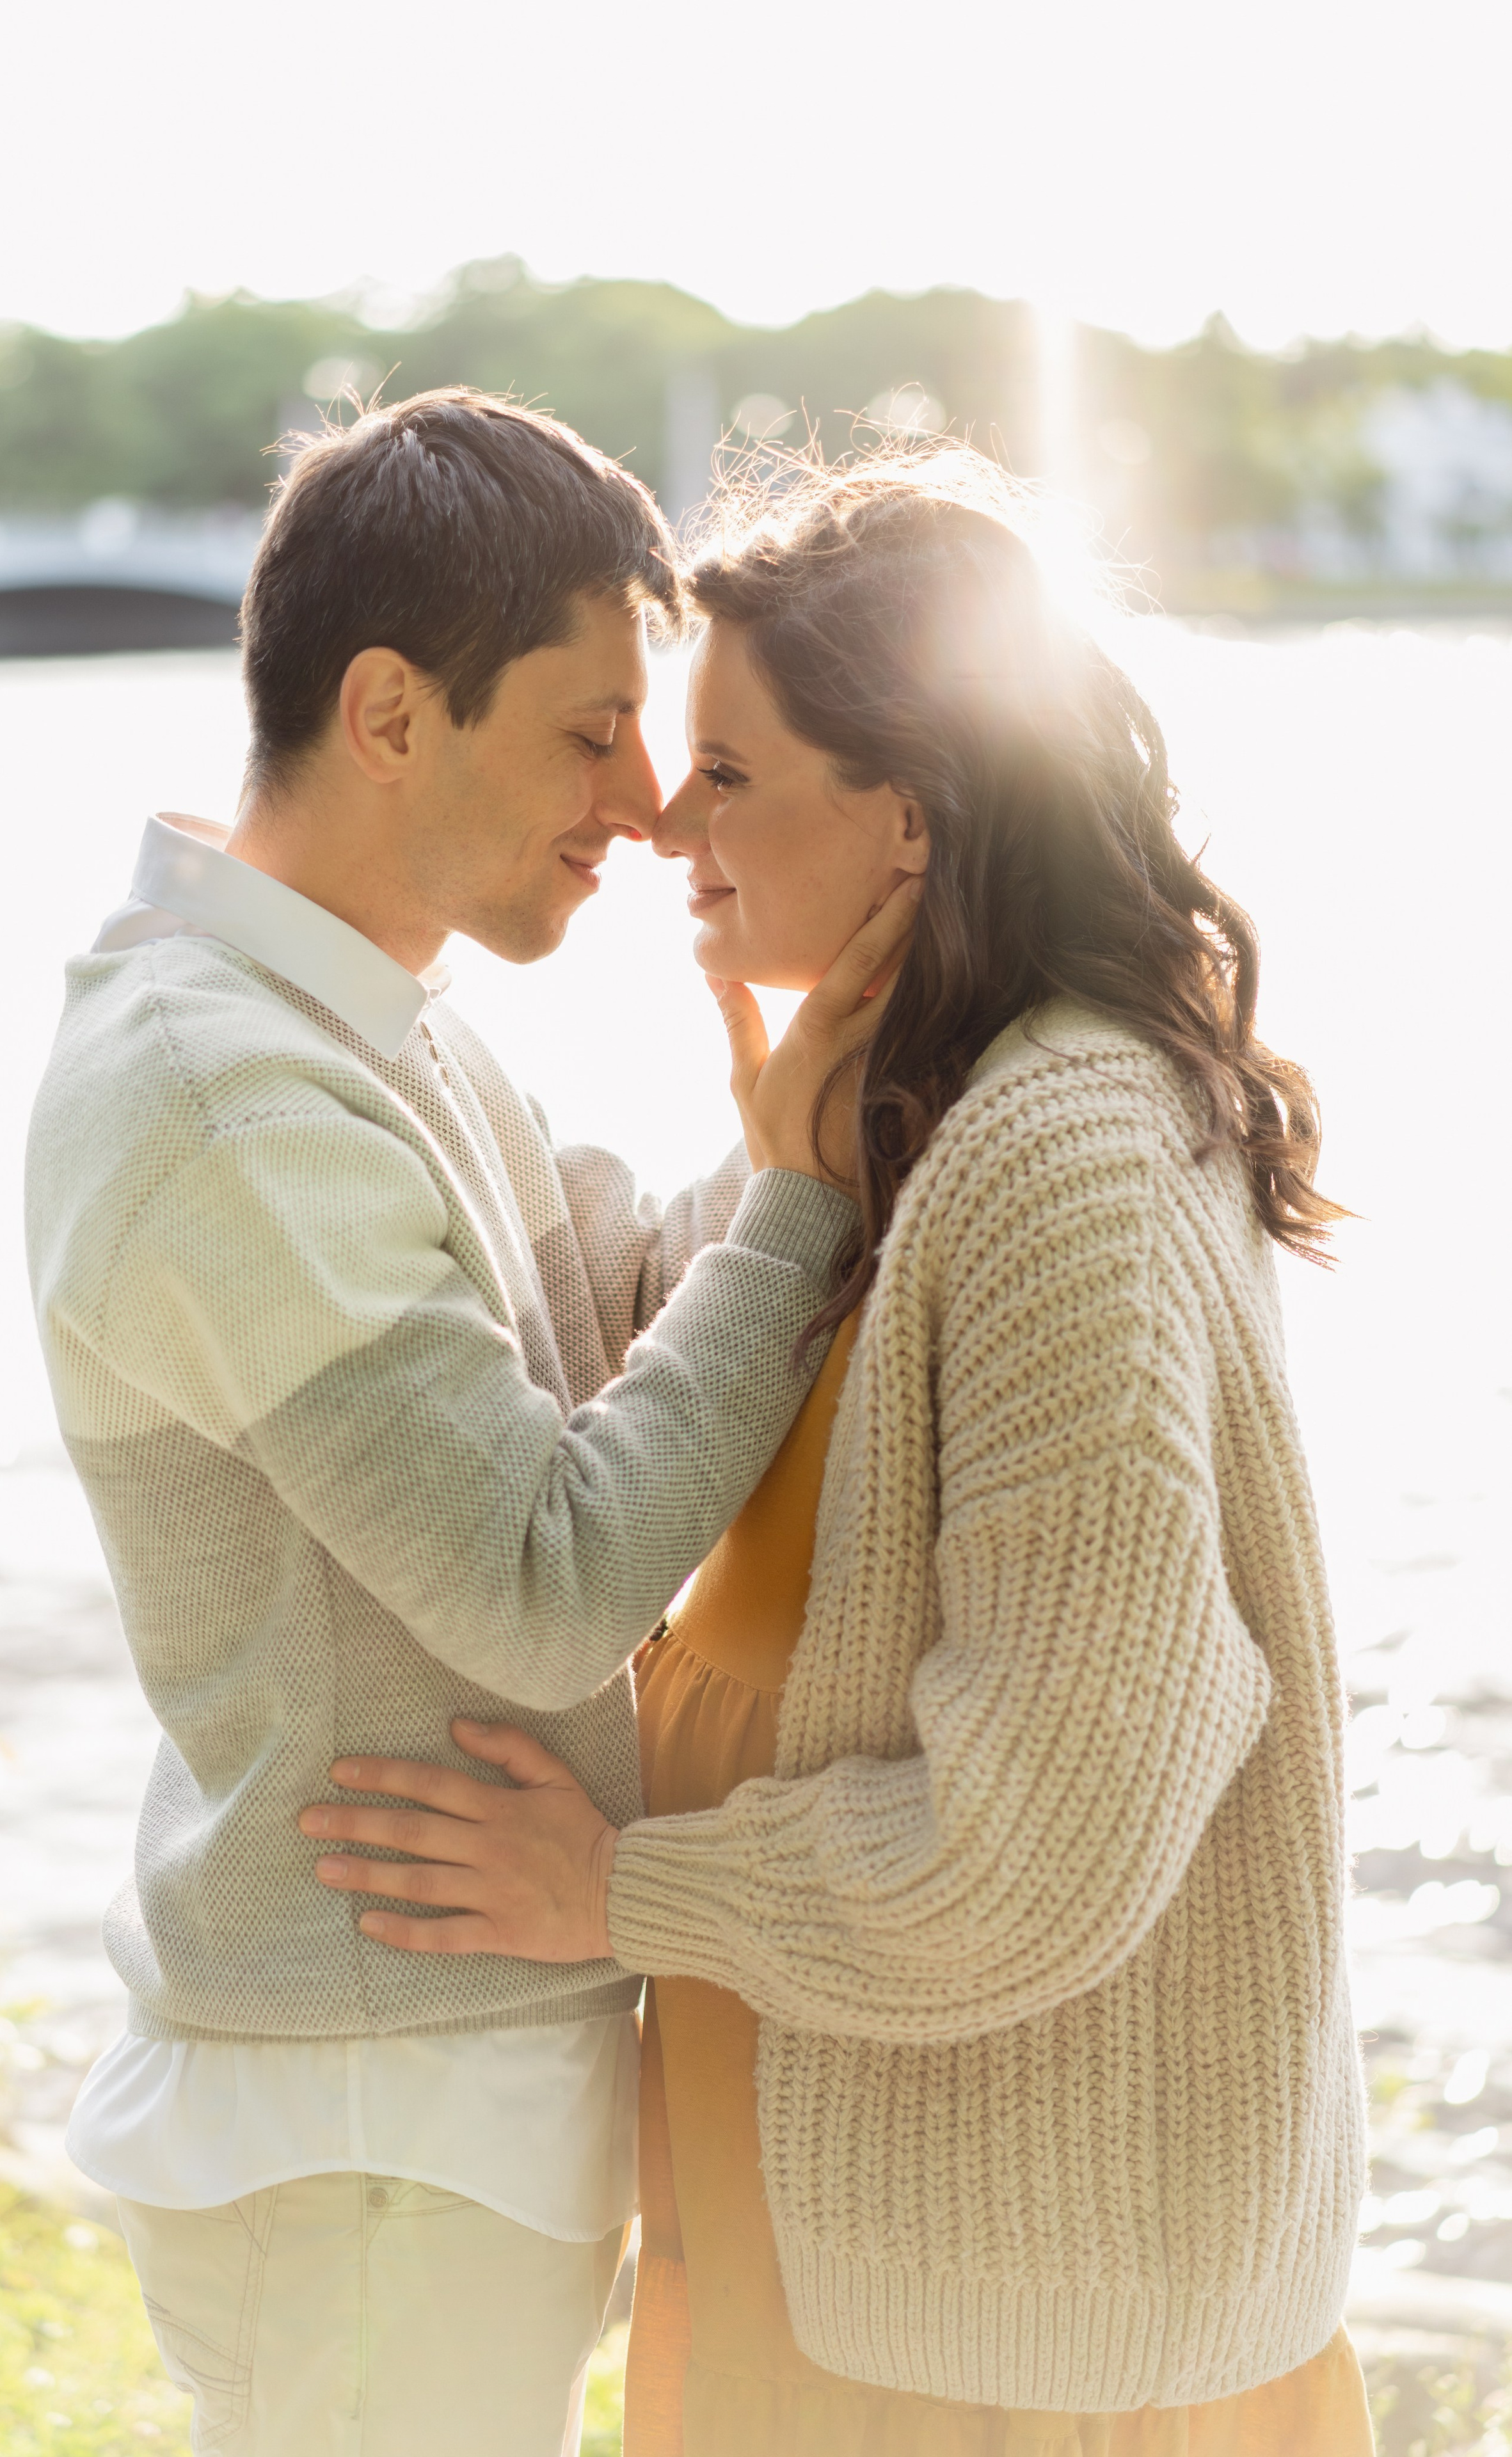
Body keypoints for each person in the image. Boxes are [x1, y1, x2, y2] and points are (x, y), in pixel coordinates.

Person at [301, 447, 1375, 2453]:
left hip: (1019, 2360)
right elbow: (623, 1324)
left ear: (908, 812)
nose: (664, 829)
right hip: (849, 2278)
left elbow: (1047, 1829)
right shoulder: (901, 1118)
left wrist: (618, 1894)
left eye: (724, 771)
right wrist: (357, 990)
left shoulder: (1063, 1160)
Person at [25, 390, 916, 2457]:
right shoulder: (220, 1101)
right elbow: (546, 1578)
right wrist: (789, 1203)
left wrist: (857, 1097)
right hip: (360, 2135)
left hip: (417, 2110)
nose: (645, 802)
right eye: (589, 732)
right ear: (393, 713)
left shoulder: (358, 1013)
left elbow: (609, 1317)